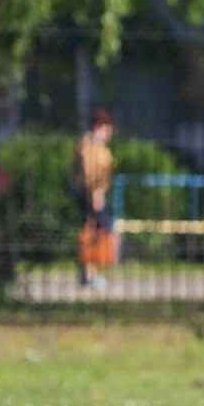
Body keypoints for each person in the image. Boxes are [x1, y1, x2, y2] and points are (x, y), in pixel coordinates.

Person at [74, 108, 117, 290]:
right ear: (99, 127)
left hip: (95, 193)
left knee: (94, 233)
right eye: (107, 129)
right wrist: (96, 194)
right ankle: (90, 274)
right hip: (92, 194)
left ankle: (88, 273)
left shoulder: (95, 145)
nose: (110, 133)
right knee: (93, 234)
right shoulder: (90, 146)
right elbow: (90, 173)